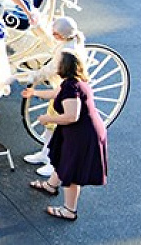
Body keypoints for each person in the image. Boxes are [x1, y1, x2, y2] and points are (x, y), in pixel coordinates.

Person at [25, 51, 108, 222]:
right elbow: (55, 93)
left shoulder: (71, 87)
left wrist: (47, 118)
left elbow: (72, 116)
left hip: (82, 135)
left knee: (72, 172)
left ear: (64, 67)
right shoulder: (72, 82)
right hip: (79, 131)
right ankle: (51, 185)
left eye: (57, 63)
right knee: (64, 160)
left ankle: (70, 210)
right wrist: (33, 93)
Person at [24, 17, 88, 177]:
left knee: (58, 129)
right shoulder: (69, 42)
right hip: (59, 90)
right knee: (50, 127)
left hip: (64, 94)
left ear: (61, 35)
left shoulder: (67, 52)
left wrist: (33, 76)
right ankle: (45, 153)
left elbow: (51, 70)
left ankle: (53, 163)